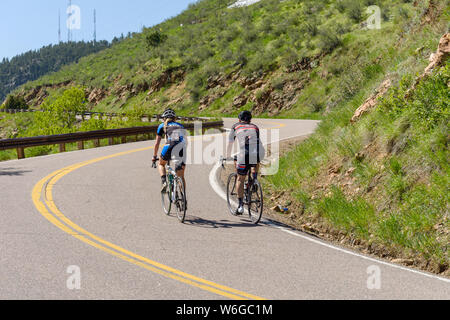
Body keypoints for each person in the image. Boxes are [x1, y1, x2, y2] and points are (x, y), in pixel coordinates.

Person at [226, 110, 265, 215]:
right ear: (250, 120)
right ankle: (254, 179)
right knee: (255, 160)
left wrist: (227, 155)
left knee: (240, 178)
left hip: (245, 153)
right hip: (259, 151)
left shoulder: (236, 126)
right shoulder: (255, 127)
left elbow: (230, 143)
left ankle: (240, 206)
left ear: (239, 119)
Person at [152, 109, 187, 195]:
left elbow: (157, 143)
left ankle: (164, 181)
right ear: (175, 118)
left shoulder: (162, 126)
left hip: (169, 146)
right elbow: (185, 141)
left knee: (161, 163)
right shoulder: (181, 126)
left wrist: (154, 156)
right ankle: (183, 198)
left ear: (164, 118)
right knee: (180, 175)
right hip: (182, 147)